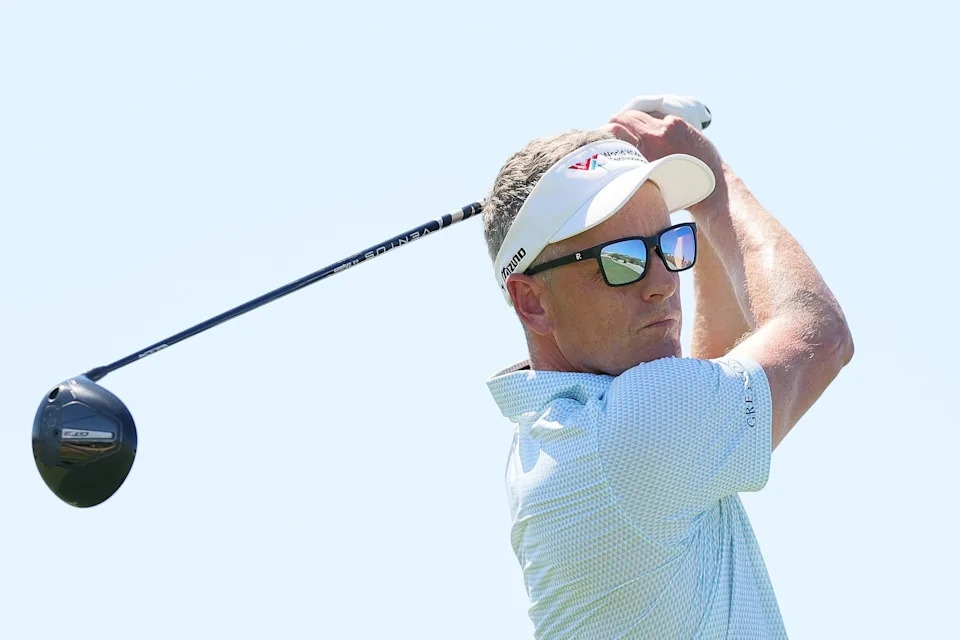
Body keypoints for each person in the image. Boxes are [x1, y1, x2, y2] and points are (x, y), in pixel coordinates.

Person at [482, 100, 853, 639]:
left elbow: (708, 371)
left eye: (668, 245)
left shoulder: (563, 431)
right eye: (621, 260)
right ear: (532, 301)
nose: (661, 282)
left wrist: (701, 203)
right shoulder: (631, 435)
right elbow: (819, 336)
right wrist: (717, 179)